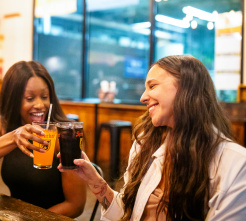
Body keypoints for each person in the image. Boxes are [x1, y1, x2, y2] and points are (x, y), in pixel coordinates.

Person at [58, 55, 246, 220]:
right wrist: (95, 181)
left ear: (186, 88)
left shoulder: (235, 164)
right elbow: (126, 214)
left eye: (152, 86)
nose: (142, 97)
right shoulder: (146, 143)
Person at [0, 60, 86, 218]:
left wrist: (28, 218)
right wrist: (12, 137)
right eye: (30, 98)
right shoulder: (3, 125)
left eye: (45, 96)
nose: (40, 104)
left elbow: (75, 205)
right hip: (14, 214)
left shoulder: (63, 135)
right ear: (13, 99)